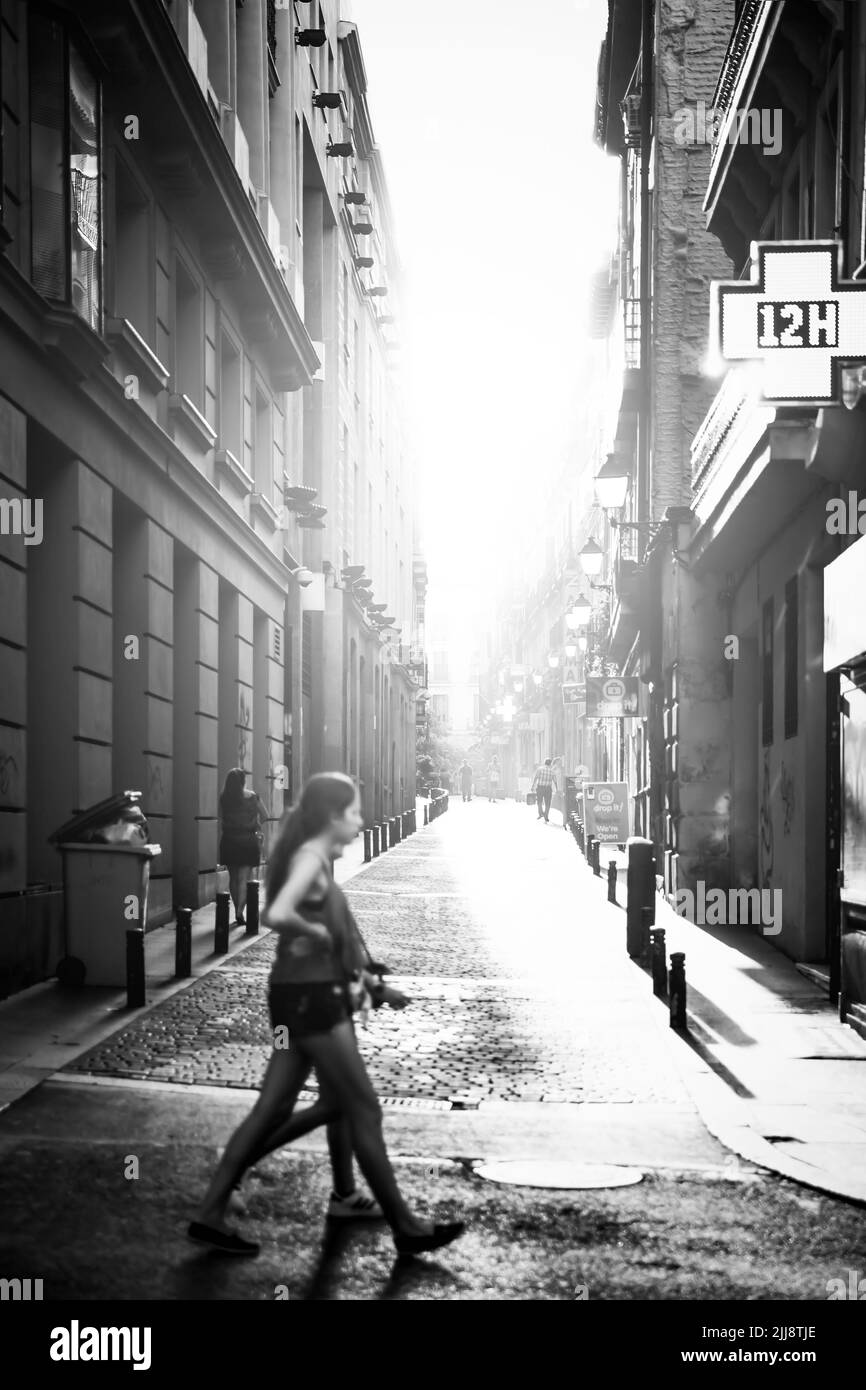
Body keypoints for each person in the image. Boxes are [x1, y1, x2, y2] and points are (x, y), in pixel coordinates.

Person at [189, 772, 465, 1259]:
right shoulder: (311, 860)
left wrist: (373, 985)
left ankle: (214, 1208)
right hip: (312, 1004)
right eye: (354, 813)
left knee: (283, 1107)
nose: (360, 821)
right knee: (362, 1107)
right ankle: (405, 1226)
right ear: (332, 817)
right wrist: (315, 937)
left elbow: (332, 933)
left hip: (293, 1002)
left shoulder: (314, 860)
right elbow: (278, 912)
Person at [219, 769, 268, 926]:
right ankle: (240, 911)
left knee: (233, 878)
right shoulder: (253, 797)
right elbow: (265, 814)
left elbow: (221, 818)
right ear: (243, 781)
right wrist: (256, 823)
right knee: (244, 878)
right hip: (248, 840)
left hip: (230, 840)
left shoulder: (224, 798)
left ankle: (236, 910)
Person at [530, 757, 557, 823]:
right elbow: (555, 781)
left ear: (544, 763)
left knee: (539, 801)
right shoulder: (552, 771)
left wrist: (533, 786)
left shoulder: (540, 769)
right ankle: (546, 816)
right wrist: (557, 788)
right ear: (550, 764)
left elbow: (536, 778)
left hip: (540, 787)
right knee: (548, 802)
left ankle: (540, 813)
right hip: (548, 788)